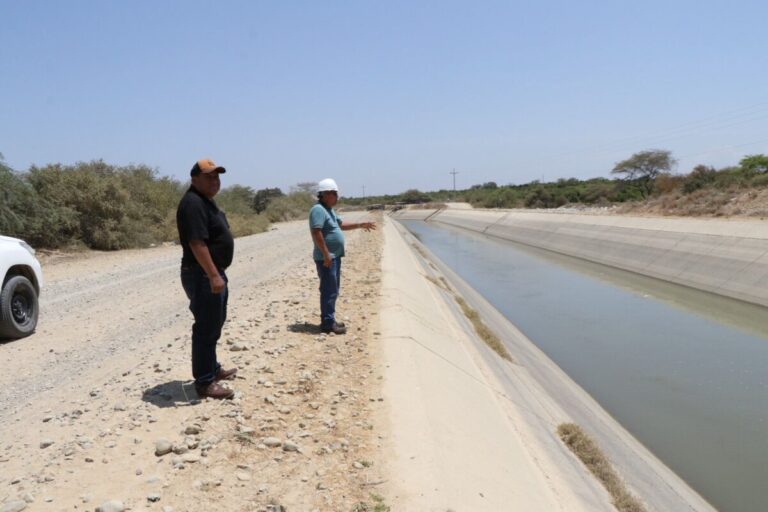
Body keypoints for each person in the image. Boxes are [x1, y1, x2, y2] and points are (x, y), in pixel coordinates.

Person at [176, 159, 237, 399]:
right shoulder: (193, 203)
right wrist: (212, 274)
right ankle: (204, 382)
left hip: (211, 272)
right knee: (205, 327)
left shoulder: (205, 202)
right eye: (209, 177)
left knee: (214, 323)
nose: (215, 181)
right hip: (202, 274)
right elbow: (196, 243)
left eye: (217, 177)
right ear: (194, 179)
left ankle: (212, 369)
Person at [309, 178, 376, 335]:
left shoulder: (328, 210)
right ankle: (327, 324)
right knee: (329, 290)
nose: (336, 196)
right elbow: (316, 232)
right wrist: (326, 254)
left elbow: (340, 225)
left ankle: (330, 319)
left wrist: (360, 225)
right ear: (325, 194)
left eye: (336, 193)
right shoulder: (318, 210)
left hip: (334, 257)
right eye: (334, 193)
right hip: (327, 258)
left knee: (333, 289)